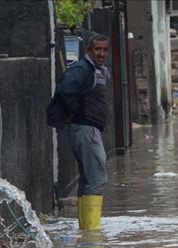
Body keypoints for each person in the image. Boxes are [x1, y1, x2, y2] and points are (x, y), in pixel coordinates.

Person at [54, 33, 110, 231]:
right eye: (97, 49)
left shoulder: (98, 71)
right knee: (97, 178)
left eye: (105, 50)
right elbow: (64, 90)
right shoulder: (83, 69)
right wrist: (74, 111)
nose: (101, 53)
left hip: (89, 129)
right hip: (86, 129)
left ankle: (86, 231)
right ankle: (93, 234)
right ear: (88, 50)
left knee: (87, 179)